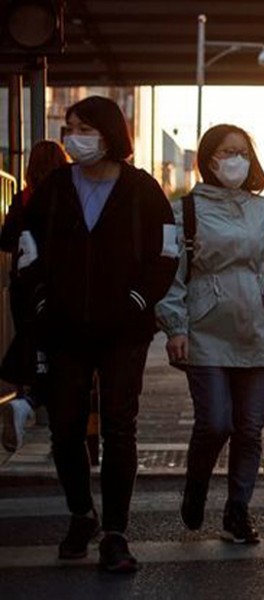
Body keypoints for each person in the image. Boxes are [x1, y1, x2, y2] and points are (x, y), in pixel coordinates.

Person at [17, 96, 178, 572]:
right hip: (65, 329)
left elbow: (166, 256)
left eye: (83, 127)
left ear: (109, 134)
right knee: (65, 428)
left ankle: (115, 533)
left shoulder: (143, 189)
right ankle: (81, 513)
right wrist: (42, 298)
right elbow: (27, 247)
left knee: (119, 426)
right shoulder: (54, 188)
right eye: (69, 127)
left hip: (125, 331)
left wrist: (136, 302)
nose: (73, 136)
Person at [156, 124, 264, 544]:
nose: (235, 159)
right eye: (226, 151)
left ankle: (237, 512)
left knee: (250, 429)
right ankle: (197, 483)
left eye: (242, 151)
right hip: (205, 328)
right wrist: (174, 326)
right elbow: (172, 277)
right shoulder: (184, 211)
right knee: (215, 422)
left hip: (257, 328)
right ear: (208, 159)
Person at [0, 140, 68, 452]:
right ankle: (40, 412)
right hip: (57, 287)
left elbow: (6, 238)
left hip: (23, 288)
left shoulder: (23, 198)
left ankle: (28, 400)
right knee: (64, 357)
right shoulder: (67, 196)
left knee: (34, 348)